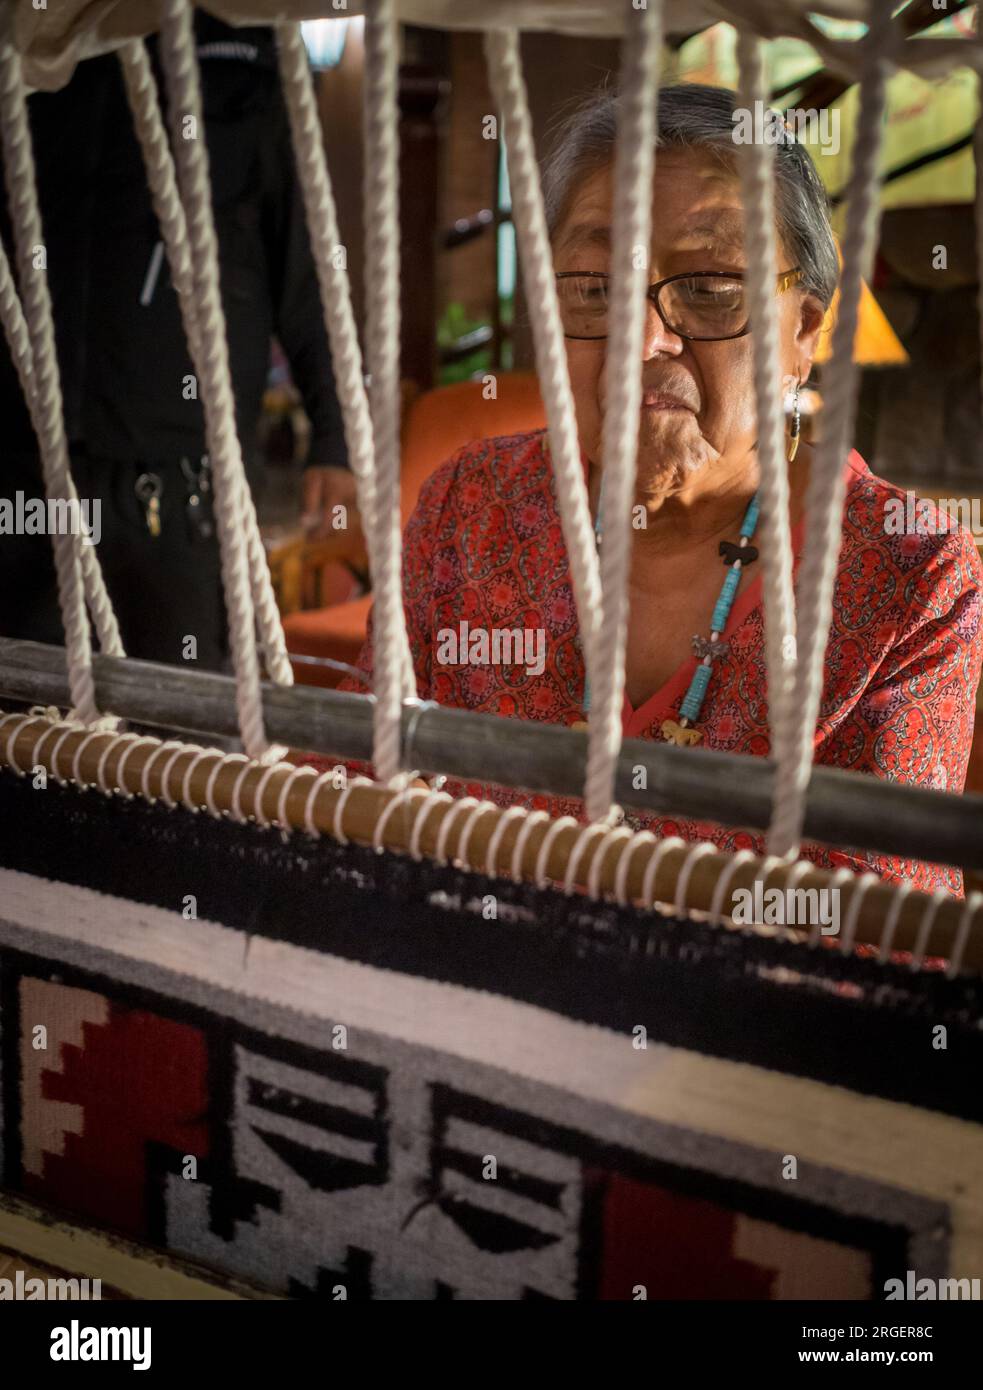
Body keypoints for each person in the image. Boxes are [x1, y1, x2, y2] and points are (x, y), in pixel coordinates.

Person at [334, 84, 983, 895]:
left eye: (710, 287)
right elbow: (353, 791)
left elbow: (870, 939)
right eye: (594, 287)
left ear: (804, 333)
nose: (640, 339)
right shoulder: (469, 507)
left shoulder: (907, 576)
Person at [0, 15, 355, 671]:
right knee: (26, 720)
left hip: (185, 487)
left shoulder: (247, 43)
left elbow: (307, 270)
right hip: (28, 475)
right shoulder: (30, 37)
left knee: (185, 732)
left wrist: (336, 440)